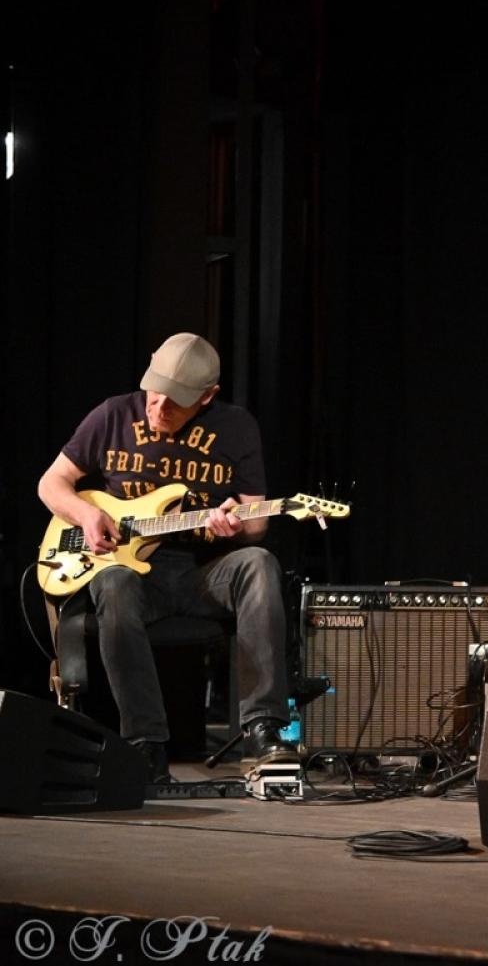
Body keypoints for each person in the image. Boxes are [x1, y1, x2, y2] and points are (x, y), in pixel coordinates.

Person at [38, 332, 297, 782]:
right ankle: (145, 745)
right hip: (133, 573)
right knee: (113, 582)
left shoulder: (236, 427)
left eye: (174, 404)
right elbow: (50, 483)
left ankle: (263, 729)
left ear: (207, 396)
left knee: (259, 562)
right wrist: (87, 514)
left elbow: (256, 521)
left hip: (204, 571)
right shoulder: (113, 414)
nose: (158, 410)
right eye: (154, 396)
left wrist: (237, 523)